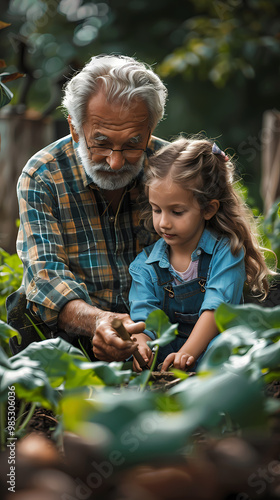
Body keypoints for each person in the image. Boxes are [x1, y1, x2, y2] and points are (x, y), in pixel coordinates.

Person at [6, 54, 169, 362]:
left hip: (163, 323)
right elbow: (46, 276)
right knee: (22, 309)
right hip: (76, 328)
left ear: (150, 129)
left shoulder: (172, 166)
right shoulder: (43, 175)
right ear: (75, 128)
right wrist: (101, 322)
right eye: (102, 142)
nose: (116, 162)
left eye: (133, 144)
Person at [128, 136, 272, 372]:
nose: (163, 222)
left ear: (208, 209)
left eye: (176, 211)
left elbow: (216, 310)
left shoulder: (226, 251)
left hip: (211, 351)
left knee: (229, 349)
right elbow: (145, 316)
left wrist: (187, 353)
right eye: (156, 210)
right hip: (168, 355)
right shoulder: (144, 265)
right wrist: (143, 344)